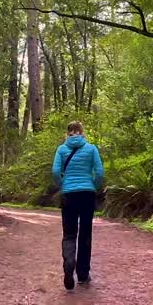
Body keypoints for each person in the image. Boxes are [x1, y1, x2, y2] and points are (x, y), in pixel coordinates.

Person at [52, 121, 105, 290]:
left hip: (68, 195)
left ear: (67, 133)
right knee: (85, 234)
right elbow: (100, 172)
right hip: (87, 195)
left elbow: (54, 172)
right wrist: (93, 185)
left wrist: (63, 184)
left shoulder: (61, 149)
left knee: (69, 234)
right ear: (82, 132)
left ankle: (69, 264)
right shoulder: (91, 149)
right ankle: (82, 274)